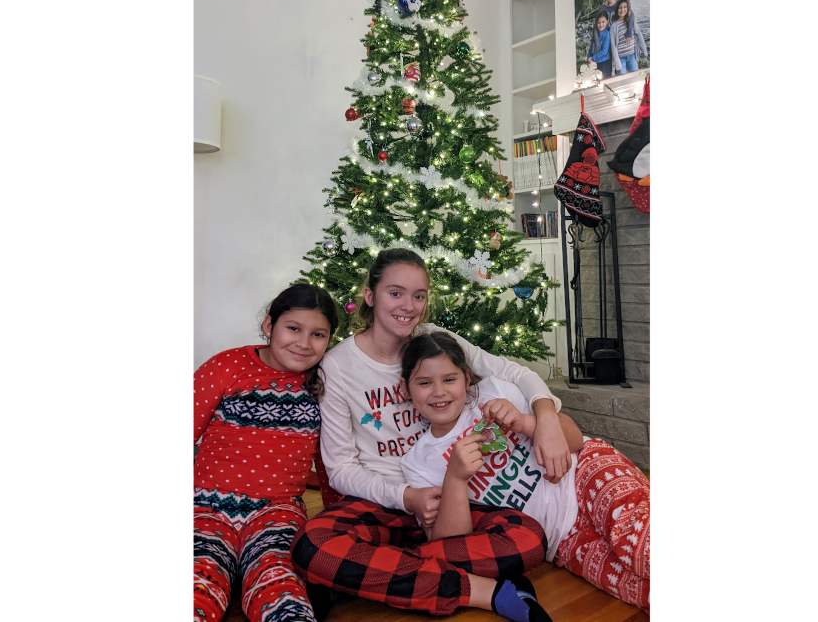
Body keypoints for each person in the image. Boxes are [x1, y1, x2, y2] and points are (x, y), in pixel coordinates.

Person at [291, 248, 572, 621]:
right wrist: (406, 497)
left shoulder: (434, 339)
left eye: (419, 295)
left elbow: (515, 373)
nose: (409, 306)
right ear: (370, 295)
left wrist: (547, 418)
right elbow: (341, 469)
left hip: (463, 502)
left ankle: (365, 574)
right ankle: (484, 591)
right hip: (387, 501)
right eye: (396, 293)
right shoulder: (338, 367)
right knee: (313, 545)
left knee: (530, 539)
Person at [400, 332, 652, 617]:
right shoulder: (419, 463)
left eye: (449, 379)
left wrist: (524, 423)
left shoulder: (496, 392)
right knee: (638, 588)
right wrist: (456, 479)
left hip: (587, 473)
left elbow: (575, 439)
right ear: (405, 389)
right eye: (424, 383)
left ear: (467, 379)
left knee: (643, 550)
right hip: (561, 541)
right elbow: (450, 544)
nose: (439, 391)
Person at [192, 284, 339, 622]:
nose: (304, 343)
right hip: (207, 508)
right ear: (269, 326)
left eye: (318, 334)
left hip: (278, 513)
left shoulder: (324, 384)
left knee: (282, 591)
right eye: (293, 328)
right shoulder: (227, 366)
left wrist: (334, 517)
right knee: (200, 581)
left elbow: (330, 460)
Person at [610, 0, 648, 75]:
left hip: (631, 56)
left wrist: (644, 50)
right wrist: (617, 62)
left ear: (628, 8)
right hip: (621, 59)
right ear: (617, 9)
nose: (622, 10)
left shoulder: (631, 23)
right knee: (622, 79)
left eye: (625, 7)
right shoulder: (614, 26)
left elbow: (639, 36)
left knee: (635, 77)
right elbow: (613, 46)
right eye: (620, 8)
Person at [587, 12, 613, 79]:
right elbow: (591, 48)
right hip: (595, 63)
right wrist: (588, 58)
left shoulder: (607, 34)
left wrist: (592, 58)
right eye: (599, 22)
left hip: (605, 63)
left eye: (603, 22)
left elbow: (604, 51)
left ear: (607, 21)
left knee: (605, 82)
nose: (601, 25)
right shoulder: (595, 34)